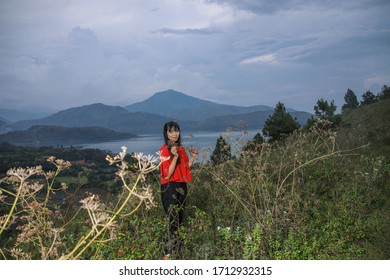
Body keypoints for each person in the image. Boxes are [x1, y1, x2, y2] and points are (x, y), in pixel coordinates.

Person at [159, 121, 198, 254]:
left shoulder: (180, 148)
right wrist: (174, 157)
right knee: (172, 220)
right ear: (166, 134)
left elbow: (185, 169)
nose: (174, 134)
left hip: (182, 186)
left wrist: (192, 157)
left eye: (176, 130)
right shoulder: (165, 149)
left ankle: (178, 252)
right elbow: (168, 174)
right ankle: (168, 252)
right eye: (171, 131)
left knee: (180, 219)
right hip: (169, 187)